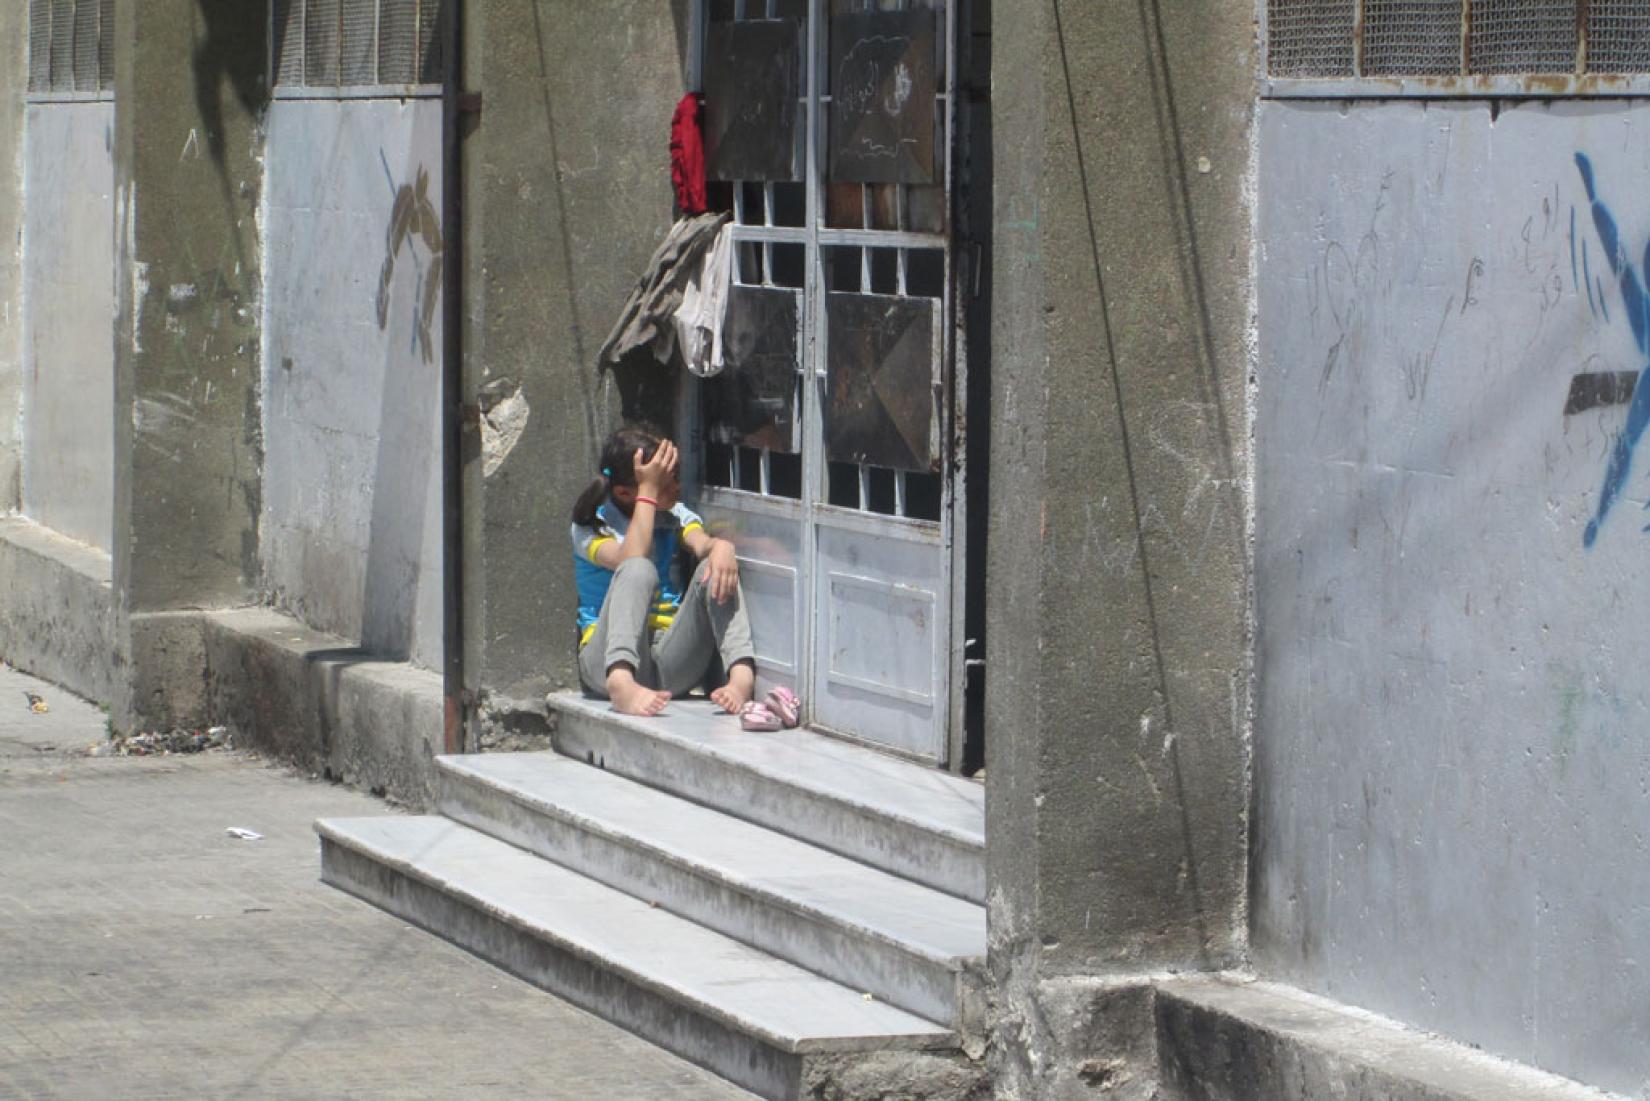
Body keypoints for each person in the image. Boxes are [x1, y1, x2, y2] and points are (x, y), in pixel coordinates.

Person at [570, 425, 757, 718]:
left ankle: (741, 677)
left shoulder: (674, 515)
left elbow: (701, 543)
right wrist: (648, 492)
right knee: (636, 569)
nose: (677, 488)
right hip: (605, 661)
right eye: (664, 483)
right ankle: (623, 684)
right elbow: (631, 557)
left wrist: (720, 548)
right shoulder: (591, 526)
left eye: (675, 477)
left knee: (713, 567)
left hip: (671, 660)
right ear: (624, 492)